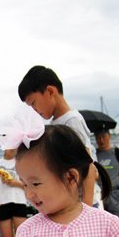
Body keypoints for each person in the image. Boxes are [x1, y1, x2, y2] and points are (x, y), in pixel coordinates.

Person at [18, 65, 97, 206]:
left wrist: (87, 208)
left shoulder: (71, 121)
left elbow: (88, 166)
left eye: (33, 103)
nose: (34, 110)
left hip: (81, 203)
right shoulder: (56, 123)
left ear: (50, 91)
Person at [95, 129, 119, 224]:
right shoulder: (94, 155)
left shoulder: (117, 153)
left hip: (115, 194)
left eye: (103, 137)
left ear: (109, 136)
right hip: (99, 195)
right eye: (98, 138)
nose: (101, 140)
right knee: (101, 224)